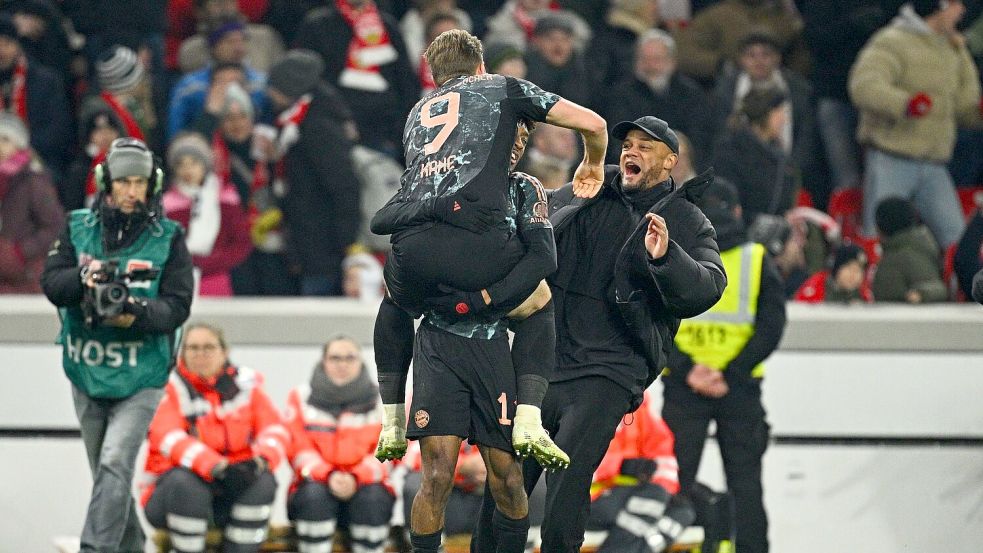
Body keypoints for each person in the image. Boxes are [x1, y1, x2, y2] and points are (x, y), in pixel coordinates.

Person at [473, 115, 726, 553]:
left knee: (567, 482)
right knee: (505, 483)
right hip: (543, 360)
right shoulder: (587, 189)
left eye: (646, 147)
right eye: (627, 143)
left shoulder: (686, 220)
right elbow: (527, 226)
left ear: (670, 162)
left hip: (609, 371)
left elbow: (708, 287)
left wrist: (667, 257)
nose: (631, 151)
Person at [370, 29, 608, 477]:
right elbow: (593, 124)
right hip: (472, 242)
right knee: (538, 302)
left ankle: (391, 419)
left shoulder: (417, 113)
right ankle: (529, 421)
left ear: (434, 76)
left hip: (412, 246)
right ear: (482, 66)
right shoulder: (502, 87)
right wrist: (593, 163)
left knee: (395, 297)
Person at [40, 137, 194, 553]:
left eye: (139, 183)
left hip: (142, 371)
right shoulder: (76, 227)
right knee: (108, 474)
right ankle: (133, 545)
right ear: (106, 183)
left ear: (153, 185)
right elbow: (52, 283)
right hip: (86, 369)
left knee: (113, 462)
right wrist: (84, 280)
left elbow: (178, 306)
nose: (131, 191)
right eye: (122, 181)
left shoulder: (170, 238)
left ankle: (95, 549)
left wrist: (136, 312)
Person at [663, 177, 786, 553]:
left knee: (673, 483)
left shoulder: (669, 254)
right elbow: (771, 326)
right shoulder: (757, 259)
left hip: (684, 386)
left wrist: (688, 369)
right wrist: (731, 371)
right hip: (739, 388)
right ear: (737, 212)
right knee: (746, 486)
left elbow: (651, 321)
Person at [141, 323, 289, 553]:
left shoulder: (247, 385)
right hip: (171, 494)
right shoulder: (167, 386)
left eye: (208, 347)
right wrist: (217, 467)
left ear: (224, 351)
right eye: (193, 348)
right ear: (182, 353)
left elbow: (275, 431)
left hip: (230, 487)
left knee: (263, 480)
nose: (201, 354)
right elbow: (169, 437)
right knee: (186, 482)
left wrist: (259, 462)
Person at [849, 0, 982, 248]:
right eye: (955, 4)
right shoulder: (892, 41)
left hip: (934, 164)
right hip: (892, 158)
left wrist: (979, 111)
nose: (962, 11)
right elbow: (864, 86)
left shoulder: (954, 48)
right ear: (939, 7)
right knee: (878, 238)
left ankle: (962, 286)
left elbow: (965, 107)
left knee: (959, 242)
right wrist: (905, 104)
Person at [285, 335, 395, 553]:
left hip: (367, 489)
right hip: (314, 488)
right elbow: (297, 446)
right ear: (323, 361)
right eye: (335, 358)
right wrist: (328, 475)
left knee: (373, 499)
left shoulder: (385, 398)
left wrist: (356, 476)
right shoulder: (300, 397)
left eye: (349, 358)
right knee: (314, 497)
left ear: (361, 362)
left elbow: (391, 449)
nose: (342, 364)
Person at [586, 390, 695, 553]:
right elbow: (572, 462)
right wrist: (621, 465)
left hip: (634, 495)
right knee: (649, 506)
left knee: (682, 513)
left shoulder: (639, 409)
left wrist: (663, 491)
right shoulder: (584, 405)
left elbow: (664, 460)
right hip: (588, 499)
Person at [162, 132, 252, 296]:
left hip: (217, 279)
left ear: (205, 165)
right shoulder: (167, 204)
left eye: (194, 163)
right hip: (177, 282)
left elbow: (241, 242)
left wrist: (209, 263)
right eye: (181, 164)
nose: (187, 170)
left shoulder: (225, 199)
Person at [713, 87, 799, 228]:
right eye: (778, 112)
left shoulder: (781, 159)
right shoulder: (730, 153)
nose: (784, 119)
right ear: (764, 114)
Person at [0, 112, 63, 293]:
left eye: (5, 139)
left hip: (26, 279)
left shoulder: (33, 181)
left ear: (19, 144)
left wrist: (20, 253)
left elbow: (55, 226)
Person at [871, 196, 948, 303]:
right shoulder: (904, 249)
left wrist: (921, 294)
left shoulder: (907, 256)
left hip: (908, 317)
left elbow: (938, 290)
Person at [794, 243, 873, 304]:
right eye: (849, 268)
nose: (854, 275)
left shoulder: (863, 293)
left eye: (859, 271)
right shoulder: (815, 287)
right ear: (837, 268)